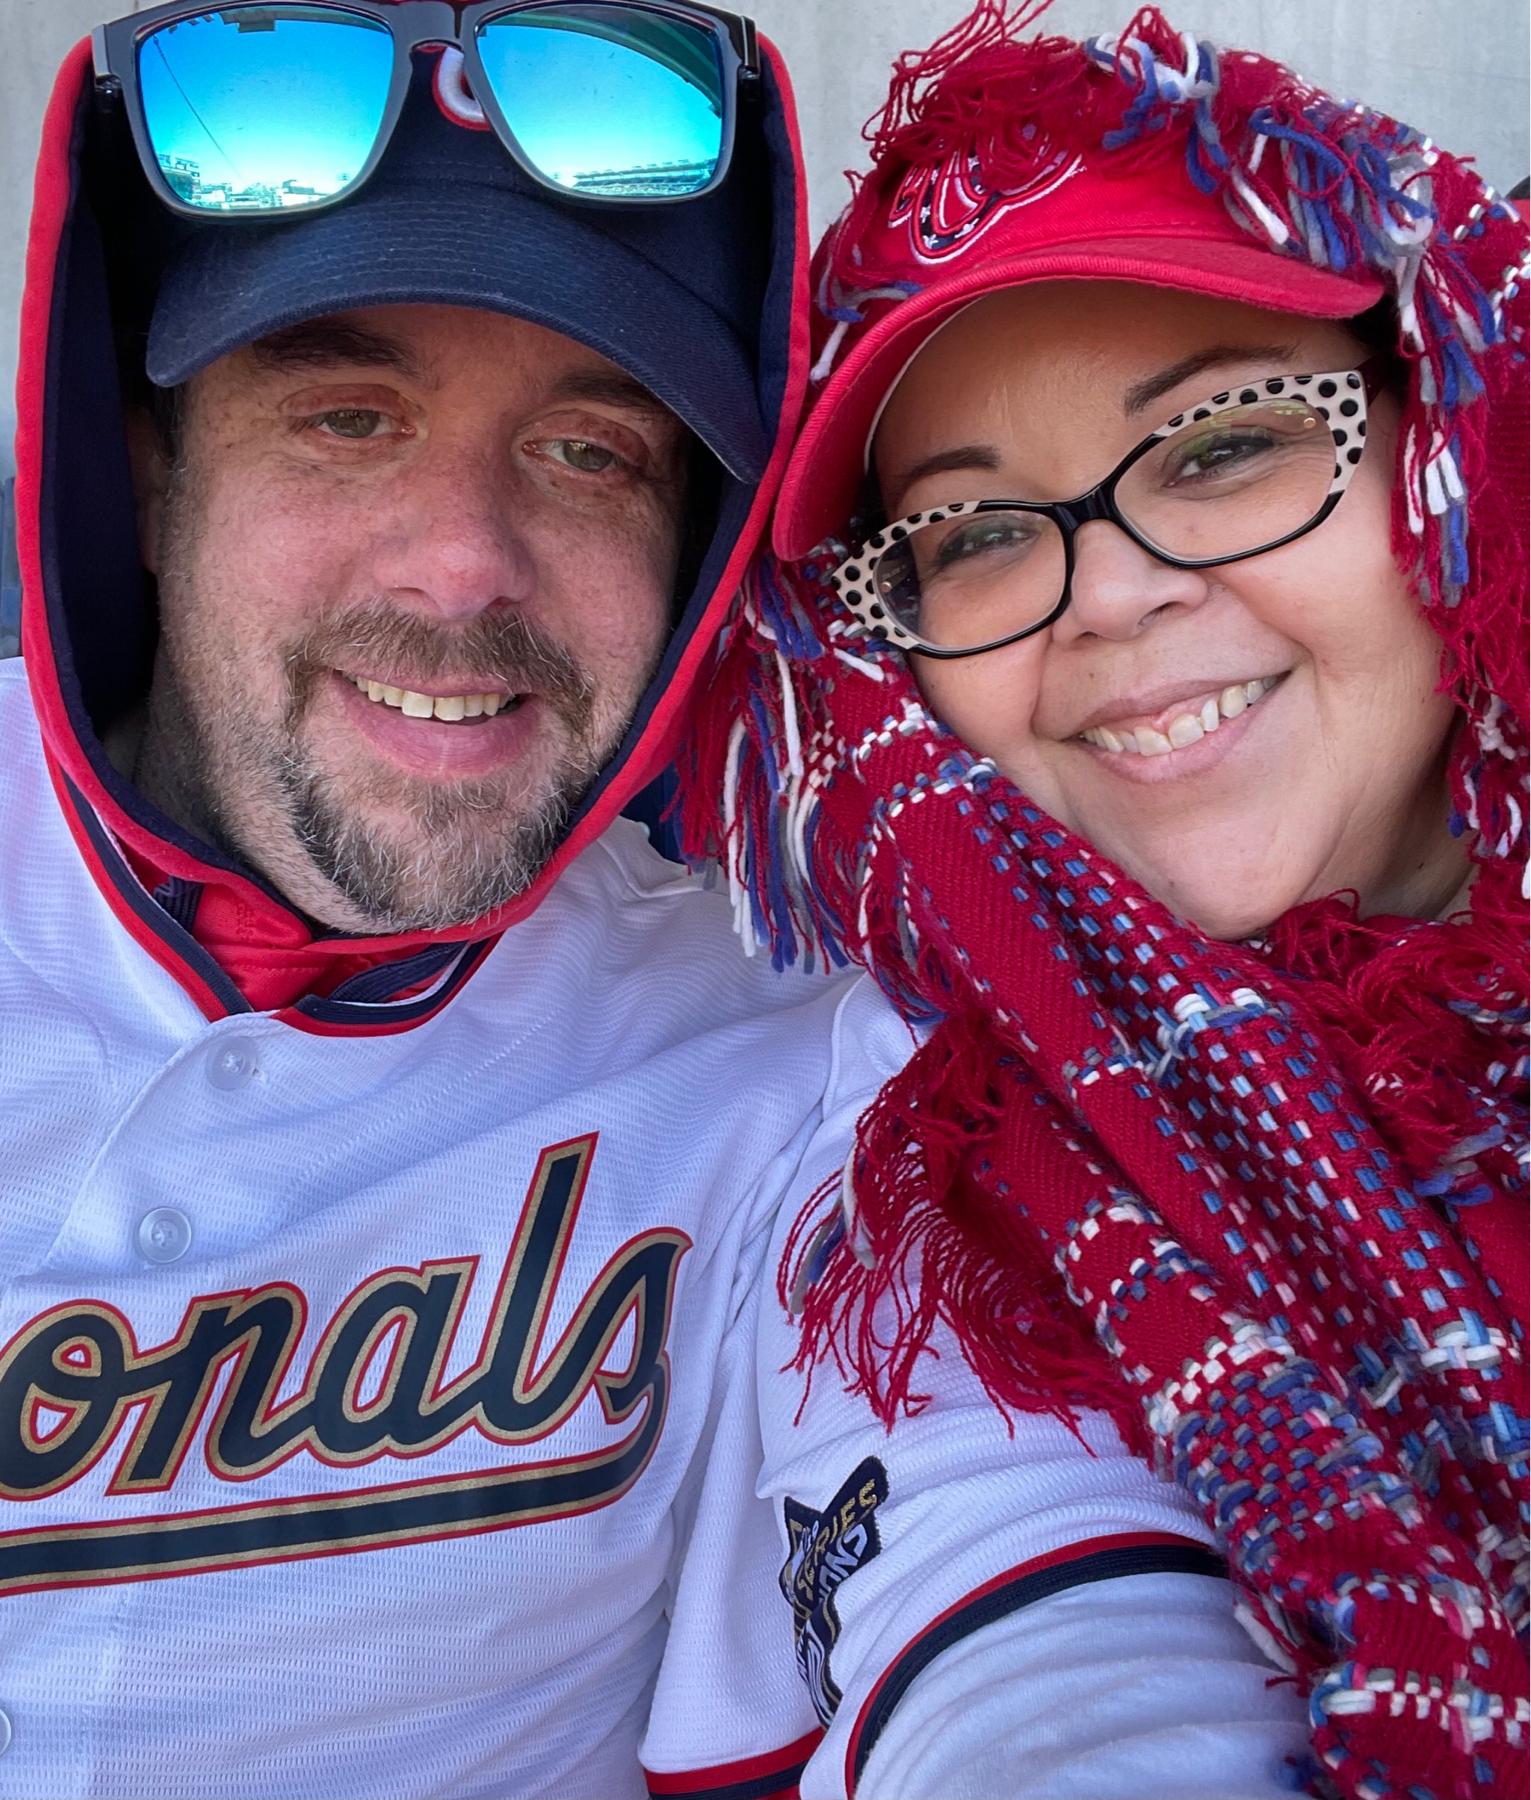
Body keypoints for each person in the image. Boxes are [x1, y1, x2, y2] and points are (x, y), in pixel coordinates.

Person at [0, 5, 1318, 1798]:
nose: (462, 561)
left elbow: (1012, 1574)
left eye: (590, 452)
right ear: (150, 485)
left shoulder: (797, 1009)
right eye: (345, 416)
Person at [682, 5, 1529, 1798]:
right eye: (974, 535)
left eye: (1225, 442)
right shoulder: (939, 1169)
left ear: (1442, 440)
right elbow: (1042, 1674)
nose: (1110, 598)